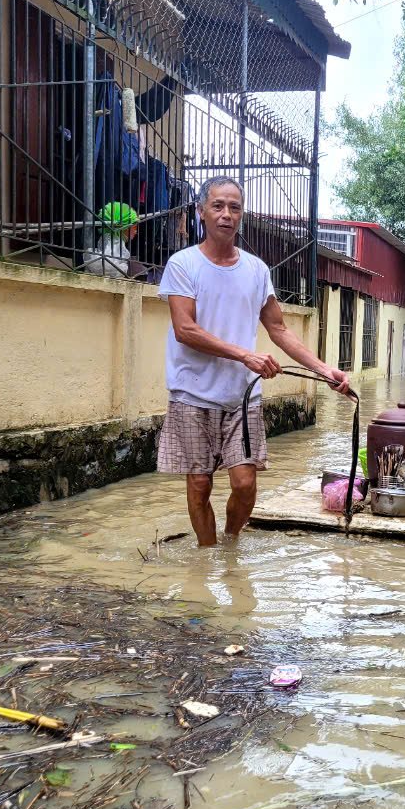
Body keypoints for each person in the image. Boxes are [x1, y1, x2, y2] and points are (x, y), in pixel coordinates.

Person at [157, 177, 350, 546]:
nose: (226, 214)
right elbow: (185, 329)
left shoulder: (257, 270)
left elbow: (279, 329)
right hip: (191, 394)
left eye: (234, 207)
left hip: (242, 397)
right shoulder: (183, 264)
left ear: (242, 215)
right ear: (201, 212)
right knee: (199, 483)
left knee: (245, 483)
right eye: (218, 206)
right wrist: (245, 354)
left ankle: (229, 545)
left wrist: (324, 370)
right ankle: (206, 554)